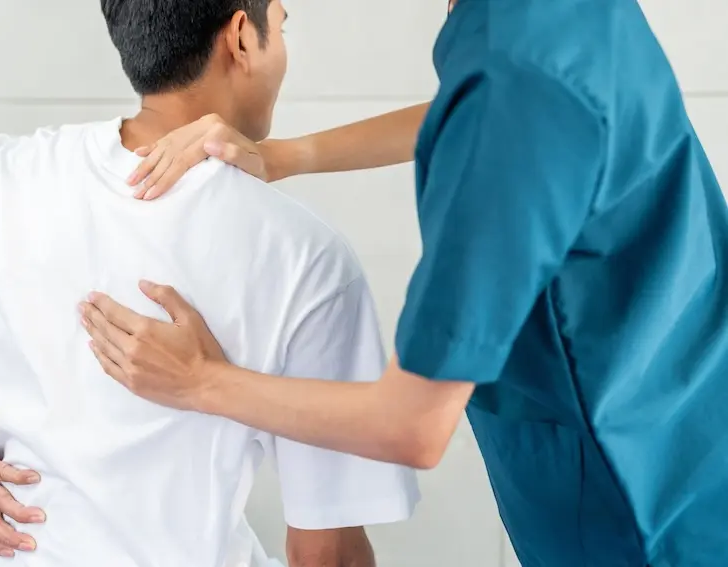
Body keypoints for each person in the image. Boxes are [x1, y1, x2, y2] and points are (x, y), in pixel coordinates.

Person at [80, 0, 728, 565]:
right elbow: (482, 110)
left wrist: (201, 380)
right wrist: (286, 155)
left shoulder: (517, 74)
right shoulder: (529, 28)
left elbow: (414, 424)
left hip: (647, 508)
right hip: (684, 410)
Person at [0, 0, 420, 565]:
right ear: (241, 37)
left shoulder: (3, 177)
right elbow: (325, 552)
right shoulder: (306, 257)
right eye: (280, 28)